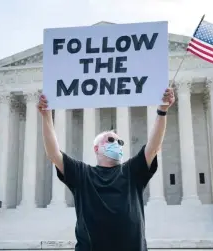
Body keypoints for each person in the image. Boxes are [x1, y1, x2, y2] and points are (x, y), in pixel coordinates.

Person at [37, 88, 175, 251]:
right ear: (96, 148)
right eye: (111, 140)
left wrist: (162, 111)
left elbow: (153, 147)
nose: (117, 144)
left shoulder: (132, 171)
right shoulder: (83, 174)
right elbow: (53, 154)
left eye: (120, 142)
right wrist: (46, 115)